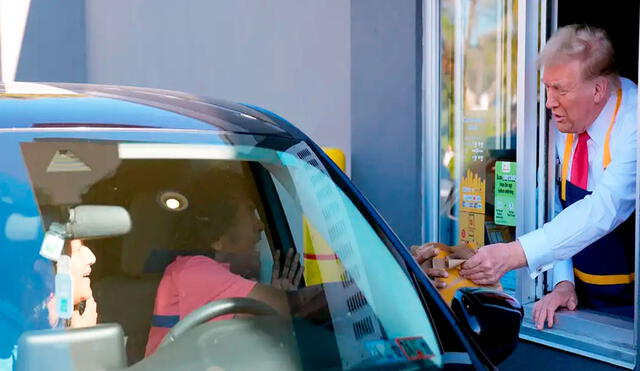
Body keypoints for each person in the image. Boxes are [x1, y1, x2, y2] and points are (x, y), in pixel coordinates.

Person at [455, 24, 637, 328]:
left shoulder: (634, 124)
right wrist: (563, 283)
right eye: (547, 88)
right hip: (583, 302)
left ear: (598, 90)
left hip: (630, 314)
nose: (550, 102)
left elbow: (604, 209)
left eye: (561, 90)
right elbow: (556, 203)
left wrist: (514, 253)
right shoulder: (566, 121)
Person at [144, 171, 303, 356]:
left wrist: (274, 303)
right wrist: (285, 301)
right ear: (217, 236)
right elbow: (301, 307)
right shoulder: (195, 271)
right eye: (250, 212)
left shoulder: (200, 276)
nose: (260, 225)